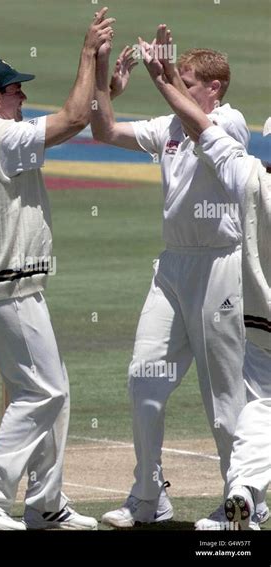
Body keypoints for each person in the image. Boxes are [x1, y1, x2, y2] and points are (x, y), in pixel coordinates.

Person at [90, 24, 265, 529]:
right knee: (143, 382)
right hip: (173, 267)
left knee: (226, 400)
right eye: (178, 80)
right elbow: (104, 131)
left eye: (187, 82)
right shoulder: (169, 125)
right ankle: (148, 496)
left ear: (215, 88)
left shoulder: (229, 122)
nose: (178, 88)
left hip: (223, 267)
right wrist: (104, 78)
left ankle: (243, 506)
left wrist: (162, 79)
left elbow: (197, 127)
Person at [0, 8, 114, 530]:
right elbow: (69, 118)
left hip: (13, 285)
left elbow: (74, 121)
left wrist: (107, 87)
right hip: (7, 288)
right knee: (44, 392)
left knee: (54, 390)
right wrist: (88, 54)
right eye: (16, 90)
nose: (23, 96)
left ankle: (46, 504)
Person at [138, 42, 270, 530]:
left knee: (249, 406)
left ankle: (243, 496)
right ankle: (244, 501)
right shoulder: (250, 174)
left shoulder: (252, 176)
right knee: (251, 406)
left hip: (248, 304)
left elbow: (210, 134)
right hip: (227, 290)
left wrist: (161, 77)